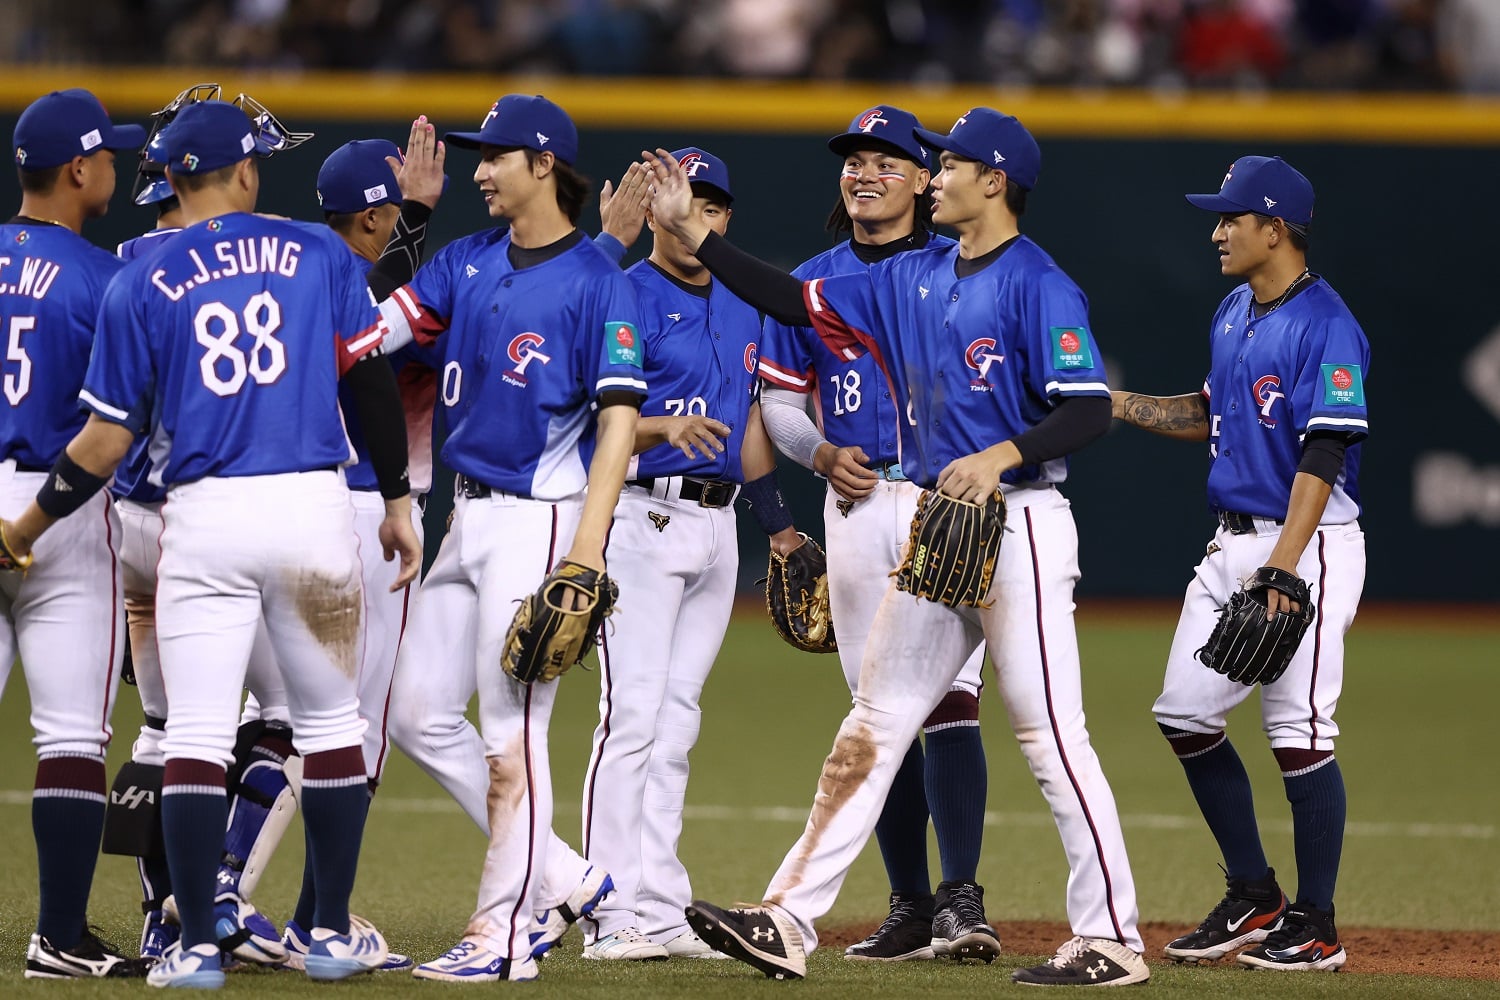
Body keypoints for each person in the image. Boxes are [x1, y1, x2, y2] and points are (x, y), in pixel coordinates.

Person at [638, 107, 1151, 987]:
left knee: (1047, 732)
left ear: (993, 181)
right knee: (875, 720)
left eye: (948, 165)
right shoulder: (917, 275)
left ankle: (1111, 937)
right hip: (934, 525)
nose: (935, 175)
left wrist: (1004, 454)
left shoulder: (1038, 282)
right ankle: (787, 917)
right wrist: (694, 232)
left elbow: (1089, 406)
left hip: (1020, 520)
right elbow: (791, 298)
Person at [0, 98, 423, 988]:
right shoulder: (318, 250)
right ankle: (331, 935)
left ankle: (190, 942)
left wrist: (28, 524)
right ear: (241, 170)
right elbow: (371, 379)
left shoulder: (136, 274)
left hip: (200, 517)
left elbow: (106, 441)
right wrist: (395, 497)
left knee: (191, 732)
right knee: (330, 726)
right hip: (310, 508)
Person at [373, 93, 645, 984]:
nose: (477, 171)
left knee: (512, 739)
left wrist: (589, 549)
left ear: (543, 165)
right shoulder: (465, 260)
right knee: (413, 710)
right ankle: (565, 875)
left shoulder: (604, 283)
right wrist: (406, 220)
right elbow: (372, 332)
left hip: (544, 518)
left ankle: (504, 935)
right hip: (466, 515)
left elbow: (615, 428)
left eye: (493, 156)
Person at [1111, 154, 1369, 972]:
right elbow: (1206, 412)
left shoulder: (1327, 324)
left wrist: (1284, 570)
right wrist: (1110, 403)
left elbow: (1323, 451)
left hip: (1308, 541)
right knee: (1185, 713)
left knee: (1298, 732)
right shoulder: (1233, 309)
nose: (1218, 232)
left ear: (1275, 229)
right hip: (1230, 542)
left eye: (1230, 218)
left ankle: (1318, 922)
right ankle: (1257, 896)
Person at [757, 105, 994, 962]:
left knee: (951, 698)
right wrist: (817, 451)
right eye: (854, 159)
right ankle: (909, 904)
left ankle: (962, 901)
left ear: (928, 178)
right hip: (854, 507)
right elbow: (780, 401)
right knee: (876, 708)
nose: (864, 172)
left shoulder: (960, 266)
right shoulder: (810, 280)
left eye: (887, 160)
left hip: (943, 505)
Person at [103, 82, 317, 972]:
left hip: (124, 516)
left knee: (164, 726)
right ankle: (214, 894)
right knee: (284, 715)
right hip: (205, 513)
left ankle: (164, 919)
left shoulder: (120, 260)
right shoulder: (250, 262)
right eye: (254, 158)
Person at [577, 146, 803, 961]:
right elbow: (582, 420)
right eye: (676, 196)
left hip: (719, 528)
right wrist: (658, 427)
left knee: (676, 726)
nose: (689, 211)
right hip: (637, 517)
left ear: (723, 218)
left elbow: (746, 420)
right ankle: (608, 909)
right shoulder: (623, 292)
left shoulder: (747, 301)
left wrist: (777, 523)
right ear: (651, 207)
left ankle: (662, 906)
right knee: (629, 719)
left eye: (705, 201)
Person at [0, 87, 146, 980]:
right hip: (61, 505)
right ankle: (58, 934)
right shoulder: (106, 279)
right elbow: (118, 428)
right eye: (109, 155)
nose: (118, 167)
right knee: (71, 736)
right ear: (80, 168)